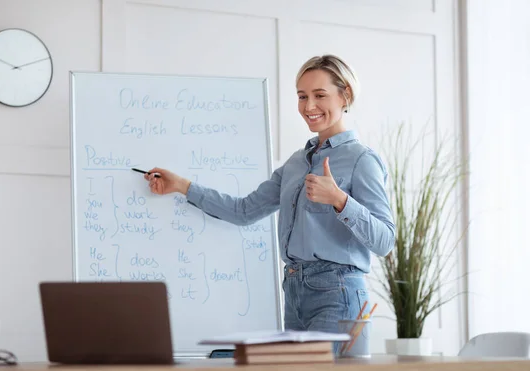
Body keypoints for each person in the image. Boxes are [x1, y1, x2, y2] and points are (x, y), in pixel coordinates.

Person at [143, 55, 395, 353]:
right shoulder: (295, 163)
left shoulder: (362, 160)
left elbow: (385, 241)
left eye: (319, 95)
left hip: (338, 293)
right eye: (302, 96)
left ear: (346, 96)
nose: (309, 106)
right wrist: (182, 186)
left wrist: (340, 201)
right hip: (294, 294)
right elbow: (244, 210)